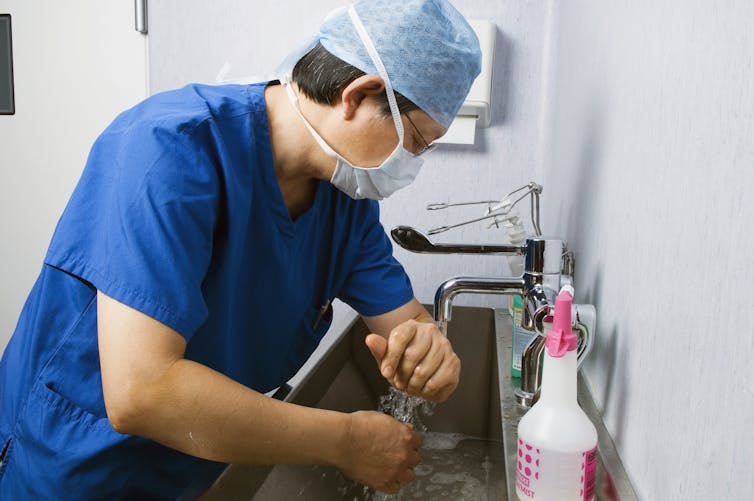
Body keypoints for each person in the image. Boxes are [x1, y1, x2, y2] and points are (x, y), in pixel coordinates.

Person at [0, 0, 481, 498]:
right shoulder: (167, 150)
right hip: (79, 470)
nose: (411, 164)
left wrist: (431, 350)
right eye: (417, 141)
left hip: (200, 468)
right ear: (357, 95)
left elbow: (407, 324)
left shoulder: (345, 204)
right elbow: (143, 391)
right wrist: (344, 442)